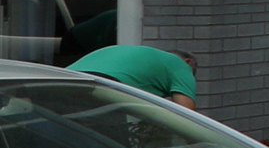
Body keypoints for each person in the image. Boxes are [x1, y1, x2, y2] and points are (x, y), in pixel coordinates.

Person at [68, 44, 198, 106]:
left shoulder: (146, 58)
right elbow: (186, 114)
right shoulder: (181, 65)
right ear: (188, 62)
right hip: (102, 84)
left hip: (63, 78)